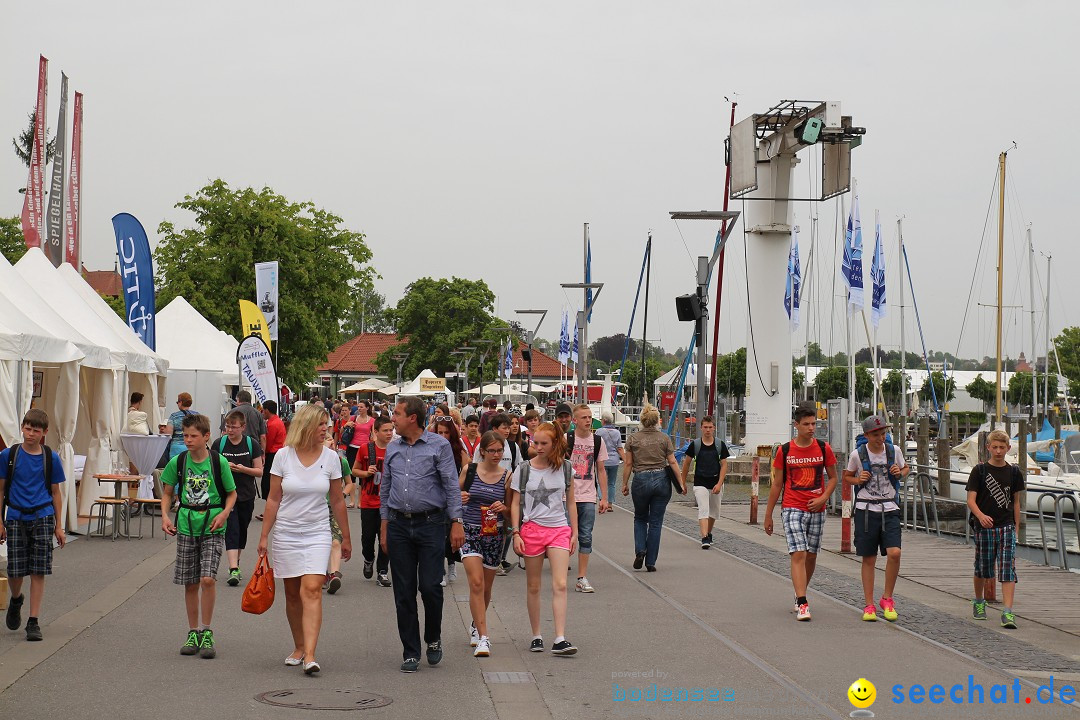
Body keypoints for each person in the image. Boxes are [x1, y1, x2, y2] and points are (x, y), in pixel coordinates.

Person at [257, 404, 351, 675]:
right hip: (286, 532)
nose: (327, 430)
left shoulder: (331, 458)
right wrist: (264, 536)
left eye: (327, 425)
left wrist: (345, 537)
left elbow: (337, 500)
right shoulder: (283, 457)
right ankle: (298, 647)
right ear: (307, 426)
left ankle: (310, 654)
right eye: (321, 425)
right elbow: (273, 498)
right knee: (292, 595)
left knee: (310, 589)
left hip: (318, 532)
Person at [379, 396, 464, 673]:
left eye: (397, 414)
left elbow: (452, 486)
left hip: (431, 524)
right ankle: (411, 650)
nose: (393, 419)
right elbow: (385, 489)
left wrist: (456, 522)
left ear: (412, 418)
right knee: (403, 592)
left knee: (429, 586)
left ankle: (434, 638)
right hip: (399, 525)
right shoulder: (393, 448)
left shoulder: (438, 446)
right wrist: (384, 526)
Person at [160, 413, 237, 658]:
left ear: (206, 437)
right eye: (185, 435)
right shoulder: (179, 461)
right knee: (190, 582)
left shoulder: (218, 462)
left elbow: (232, 494)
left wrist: (224, 513)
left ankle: (207, 630)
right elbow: (167, 492)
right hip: (186, 525)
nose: (188, 440)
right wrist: (164, 516)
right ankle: (193, 631)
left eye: (194, 436)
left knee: (207, 579)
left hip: (213, 524)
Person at [509, 422, 578, 655]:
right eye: (535, 442)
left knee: (560, 584)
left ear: (555, 443)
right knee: (534, 585)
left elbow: (571, 503)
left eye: (543, 443)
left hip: (559, 529)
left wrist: (574, 532)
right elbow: (515, 503)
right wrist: (515, 532)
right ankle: (536, 635)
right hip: (531, 530)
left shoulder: (566, 468)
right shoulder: (524, 469)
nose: (537, 447)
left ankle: (560, 637)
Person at [764, 405, 838, 622]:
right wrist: (768, 515)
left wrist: (824, 498)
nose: (811, 428)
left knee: (812, 555)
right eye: (806, 424)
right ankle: (804, 602)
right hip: (792, 507)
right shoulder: (785, 451)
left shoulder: (824, 449)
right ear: (796, 425)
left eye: (814, 423)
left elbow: (833, 478)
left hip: (817, 508)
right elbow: (777, 484)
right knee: (799, 553)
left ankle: (799, 594)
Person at [0, 409, 67, 642]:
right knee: (15, 570)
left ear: (44, 433)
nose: (30, 434)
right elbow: (1, 490)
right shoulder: (9, 455)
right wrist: (0, 521)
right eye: (27, 429)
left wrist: (59, 526)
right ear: (22, 427)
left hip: (43, 515)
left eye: (35, 430)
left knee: (39, 569)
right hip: (16, 515)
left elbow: (57, 493)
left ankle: (33, 620)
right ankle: (16, 599)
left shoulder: (51, 457)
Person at [842, 415, 907, 622]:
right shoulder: (857, 455)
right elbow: (847, 477)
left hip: (889, 507)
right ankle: (869, 604)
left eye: (883, 434)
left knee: (894, 553)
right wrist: (857, 479)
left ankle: (887, 598)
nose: (881, 438)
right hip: (866, 510)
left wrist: (900, 472)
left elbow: (905, 469)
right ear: (867, 435)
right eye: (877, 434)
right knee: (869, 557)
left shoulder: (894, 451)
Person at [458, 431, 511, 657]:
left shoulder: (507, 476)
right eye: (492, 450)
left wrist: (504, 509)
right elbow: (452, 494)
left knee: (486, 588)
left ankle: (475, 623)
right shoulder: (469, 470)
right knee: (476, 583)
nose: (496, 455)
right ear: (483, 451)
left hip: (494, 534)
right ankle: (484, 637)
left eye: (500, 450)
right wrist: (460, 496)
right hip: (470, 531)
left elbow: (512, 510)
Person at [966, 429, 1025, 629]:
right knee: (983, 567)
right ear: (988, 448)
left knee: (1007, 568)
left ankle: (1007, 611)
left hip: (1006, 525)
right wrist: (980, 516)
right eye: (995, 447)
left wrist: (1016, 527)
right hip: (985, 527)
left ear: (1008, 448)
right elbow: (970, 500)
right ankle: (978, 600)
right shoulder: (979, 471)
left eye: (1002, 447)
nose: (998, 451)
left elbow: (1016, 502)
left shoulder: (1014, 472)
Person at [621, 405, 684, 572]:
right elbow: (672, 462)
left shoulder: (633, 439)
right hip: (661, 480)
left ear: (642, 420)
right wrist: (681, 483)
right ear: (657, 421)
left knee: (640, 518)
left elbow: (628, 463)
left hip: (640, 479)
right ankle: (651, 562)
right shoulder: (664, 439)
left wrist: (624, 483)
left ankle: (640, 550)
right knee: (656, 522)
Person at [216, 410, 264, 588]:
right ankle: (233, 567)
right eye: (227, 426)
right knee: (232, 529)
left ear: (243, 427)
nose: (229, 430)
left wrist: (242, 469)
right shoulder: (219, 444)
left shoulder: (251, 444)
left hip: (246, 494)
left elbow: (259, 471)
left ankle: (236, 560)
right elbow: (211, 467)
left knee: (242, 529)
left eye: (233, 427)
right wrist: (224, 468)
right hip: (226, 495)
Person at [568, 404, 609, 593]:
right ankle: (561, 572)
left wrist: (604, 498)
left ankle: (581, 577)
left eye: (590, 417)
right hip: (566, 496)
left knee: (586, 535)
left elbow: (601, 470)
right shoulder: (567, 439)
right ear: (574, 420)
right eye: (583, 417)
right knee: (565, 535)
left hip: (588, 495)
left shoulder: (598, 441)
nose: (588, 420)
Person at [353, 415, 393, 587]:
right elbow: (354, 470)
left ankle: (383, 571)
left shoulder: (396, 449)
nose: (389, 433)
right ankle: (368, 559)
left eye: (391, 430)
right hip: (369, 501)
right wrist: (366, 473)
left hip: (389, 503)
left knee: (386, 538)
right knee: (367, 538)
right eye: (385, 430)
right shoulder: (365, 448)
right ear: (375, 432)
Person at [680, 416, 730, 549]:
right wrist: (682, 482)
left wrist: (719, 483)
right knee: (703, 509)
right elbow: (686, 464)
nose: (708, 430)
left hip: (715, 482)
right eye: (705, 427)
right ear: (701, 428)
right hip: (700, 481)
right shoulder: (695, 445)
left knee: (713, 512)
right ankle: (704, 537)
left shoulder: (720, 445)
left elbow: (724, 465)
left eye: (710, 427)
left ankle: (708, 533)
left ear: (714, 428)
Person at [434, 418, 467, 586]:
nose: (443, 435)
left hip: (452, 498)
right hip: (436, 499)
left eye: (446, 432)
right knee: (438, 535)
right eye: (440, 432)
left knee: (450, 535)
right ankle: (440, 571)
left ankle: (452, 562)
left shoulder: (459, 451)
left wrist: (460, 490)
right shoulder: (430, 448)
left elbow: (468, 472)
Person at [325, 433, 355, 595]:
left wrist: (342, 494)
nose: (330, 442)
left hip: (335, 506)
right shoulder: (313, 460)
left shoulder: (341, 461)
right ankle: (321, 573)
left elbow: (350, 483)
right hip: (316, 507)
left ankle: (334, 574)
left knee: (336, 540)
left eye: (331, 440)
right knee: (321, 542)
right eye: (326, 440)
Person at [345, 400, 376, 506]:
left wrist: (375, 445)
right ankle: (352, 501)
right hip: (352, 447)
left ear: (367, 408)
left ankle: (360, 501)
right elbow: (342, 431)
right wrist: (346, 425)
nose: (359, 408)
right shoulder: (353, 418)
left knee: (362, 475)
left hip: (365, 448)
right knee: (352, 474)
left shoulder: (372, 420)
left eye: (361, 407)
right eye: (358, 407)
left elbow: (374, 435)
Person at [258, 400, 286, 510]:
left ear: (267, 410)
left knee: (268, 482)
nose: (262, 413)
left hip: (273, 454)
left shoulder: (272, 424)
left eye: (263, 410)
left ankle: (270, 508)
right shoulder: (277, 421)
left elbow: (268, 442)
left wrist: (263, 454)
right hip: (277, 452)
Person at [595, 412, 624, 512]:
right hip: (614, 461)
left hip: (601, 460)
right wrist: (626, 460)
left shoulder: (598, 432)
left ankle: (602, 501)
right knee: (612, 483)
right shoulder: (617, 432)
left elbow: (595, 446)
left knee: (600, 482)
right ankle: (610, 504)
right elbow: (620, 448)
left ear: (603, 420)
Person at [165, 392, 197, 460]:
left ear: (181, 402)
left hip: (177, 448)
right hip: (193, 447)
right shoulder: (197, 416)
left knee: (176, 468)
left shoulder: (174, 416)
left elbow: (168, 434)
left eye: (177, 402)